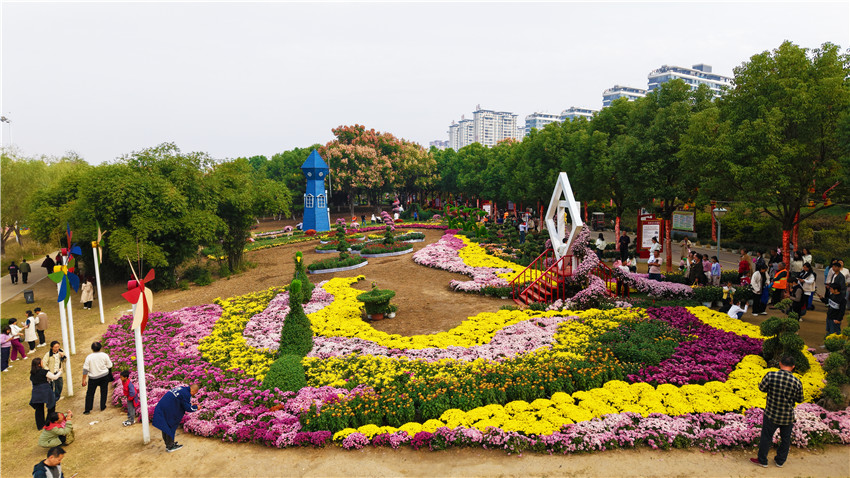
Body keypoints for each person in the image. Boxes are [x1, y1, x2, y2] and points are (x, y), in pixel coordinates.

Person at [751, 355, 803, 468]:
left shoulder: (771, 375)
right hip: (787, 416)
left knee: (766, 437)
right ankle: (780, 461)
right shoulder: (797, 382)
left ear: (780, 363)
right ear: (793, 367)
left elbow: (762, 388)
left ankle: (763, 460)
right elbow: (800, 399)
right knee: (785, 439)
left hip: (771, 413)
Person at [152, 383, 200, 452]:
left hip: (162, 406)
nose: (194, 395)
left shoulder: (182, 389)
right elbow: (188, 408)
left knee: (165, 426)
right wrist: (196, 407)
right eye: (195, 393)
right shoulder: (187, 394)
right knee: (170, 425)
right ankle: (170, 446)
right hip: (168, 410)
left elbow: (182, 401)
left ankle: (169, 444)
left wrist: (191, 404)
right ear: (193, 391)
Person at [81, 341, 113, 415]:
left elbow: (85, 369)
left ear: (92, 349)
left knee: (90, 393)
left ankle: (87, 409)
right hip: (104, 375)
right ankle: (102, 406)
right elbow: (110, 365)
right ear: (100, 348)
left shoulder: (89, 357)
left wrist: (83, 380)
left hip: (93, 377)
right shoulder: (104, 355)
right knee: (104, 391)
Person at [31, 357, 60, 430]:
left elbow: (32, 384)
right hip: (45, 390)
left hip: (36, 392)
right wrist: (60, 372)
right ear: (39, 364)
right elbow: (54, 377)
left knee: (39, 409)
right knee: (51, 406)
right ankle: (49, 422)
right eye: (41, 362)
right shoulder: (44, 371)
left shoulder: (32, 374)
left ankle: (40, 426)